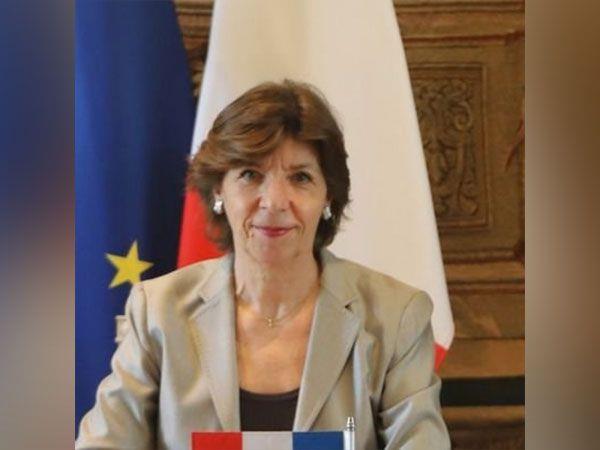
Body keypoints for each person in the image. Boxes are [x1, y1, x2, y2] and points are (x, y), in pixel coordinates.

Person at [76, 80, 450, 450]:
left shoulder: (395, 316)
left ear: (328, 196)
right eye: (251, 175)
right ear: (219, 189)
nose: (274, 201)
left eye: (300, 177)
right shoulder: (158, 311)